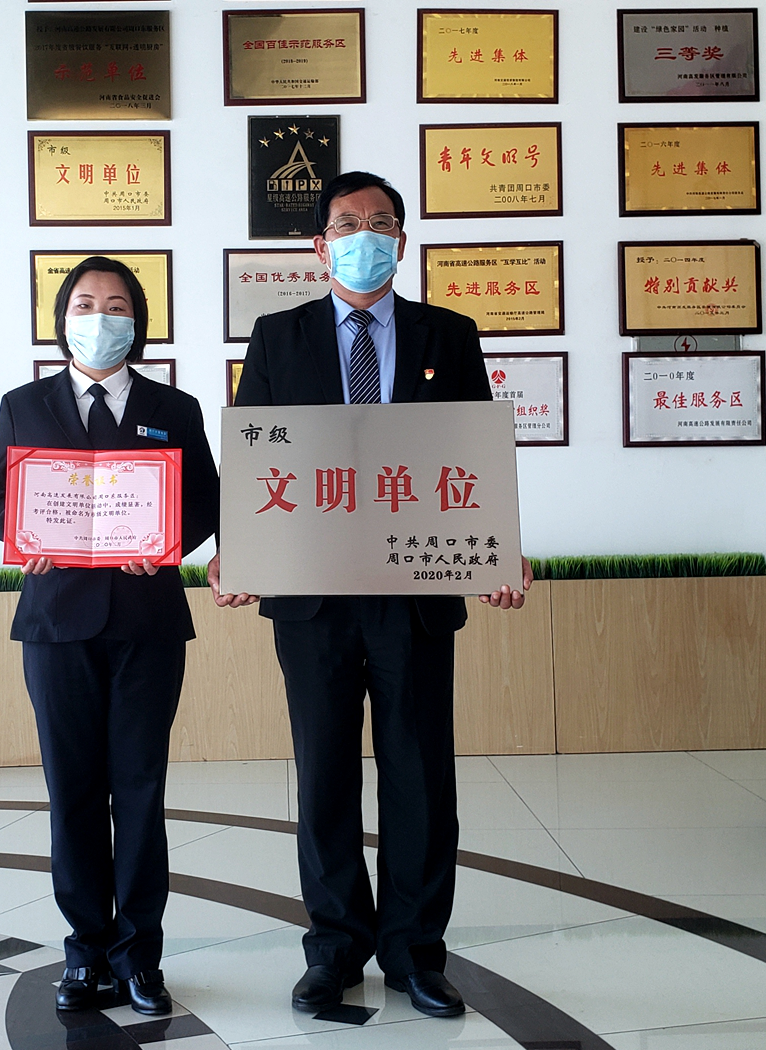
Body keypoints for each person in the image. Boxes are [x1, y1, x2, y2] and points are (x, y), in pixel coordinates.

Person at [209, 172, 530, 1019]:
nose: (366, 236)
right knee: (323, 775)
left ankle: (417, 954)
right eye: (348, 224)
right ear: (320, 246)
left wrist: (500, 549)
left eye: (381, 223)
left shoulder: (447, 335)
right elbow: (256, 459)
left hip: (413, 589)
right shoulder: (278, 337)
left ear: (402, 241)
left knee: (420, 773)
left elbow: (473, 457)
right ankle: (335, 950)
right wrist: (236, 551)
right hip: (311, 595)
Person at [0, 257, 219, 1016]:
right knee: (72, 790)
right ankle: (84, 953)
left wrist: (167, 542)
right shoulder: (24, 405)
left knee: (141, 790)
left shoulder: (173, 407)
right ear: (62, 319)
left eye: (116, 304)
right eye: (84, 303)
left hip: (147, 622)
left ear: (137, 321)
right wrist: (20, 533)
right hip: (56, 624)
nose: (100, 317)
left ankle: (139, 957)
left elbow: (206, 499)